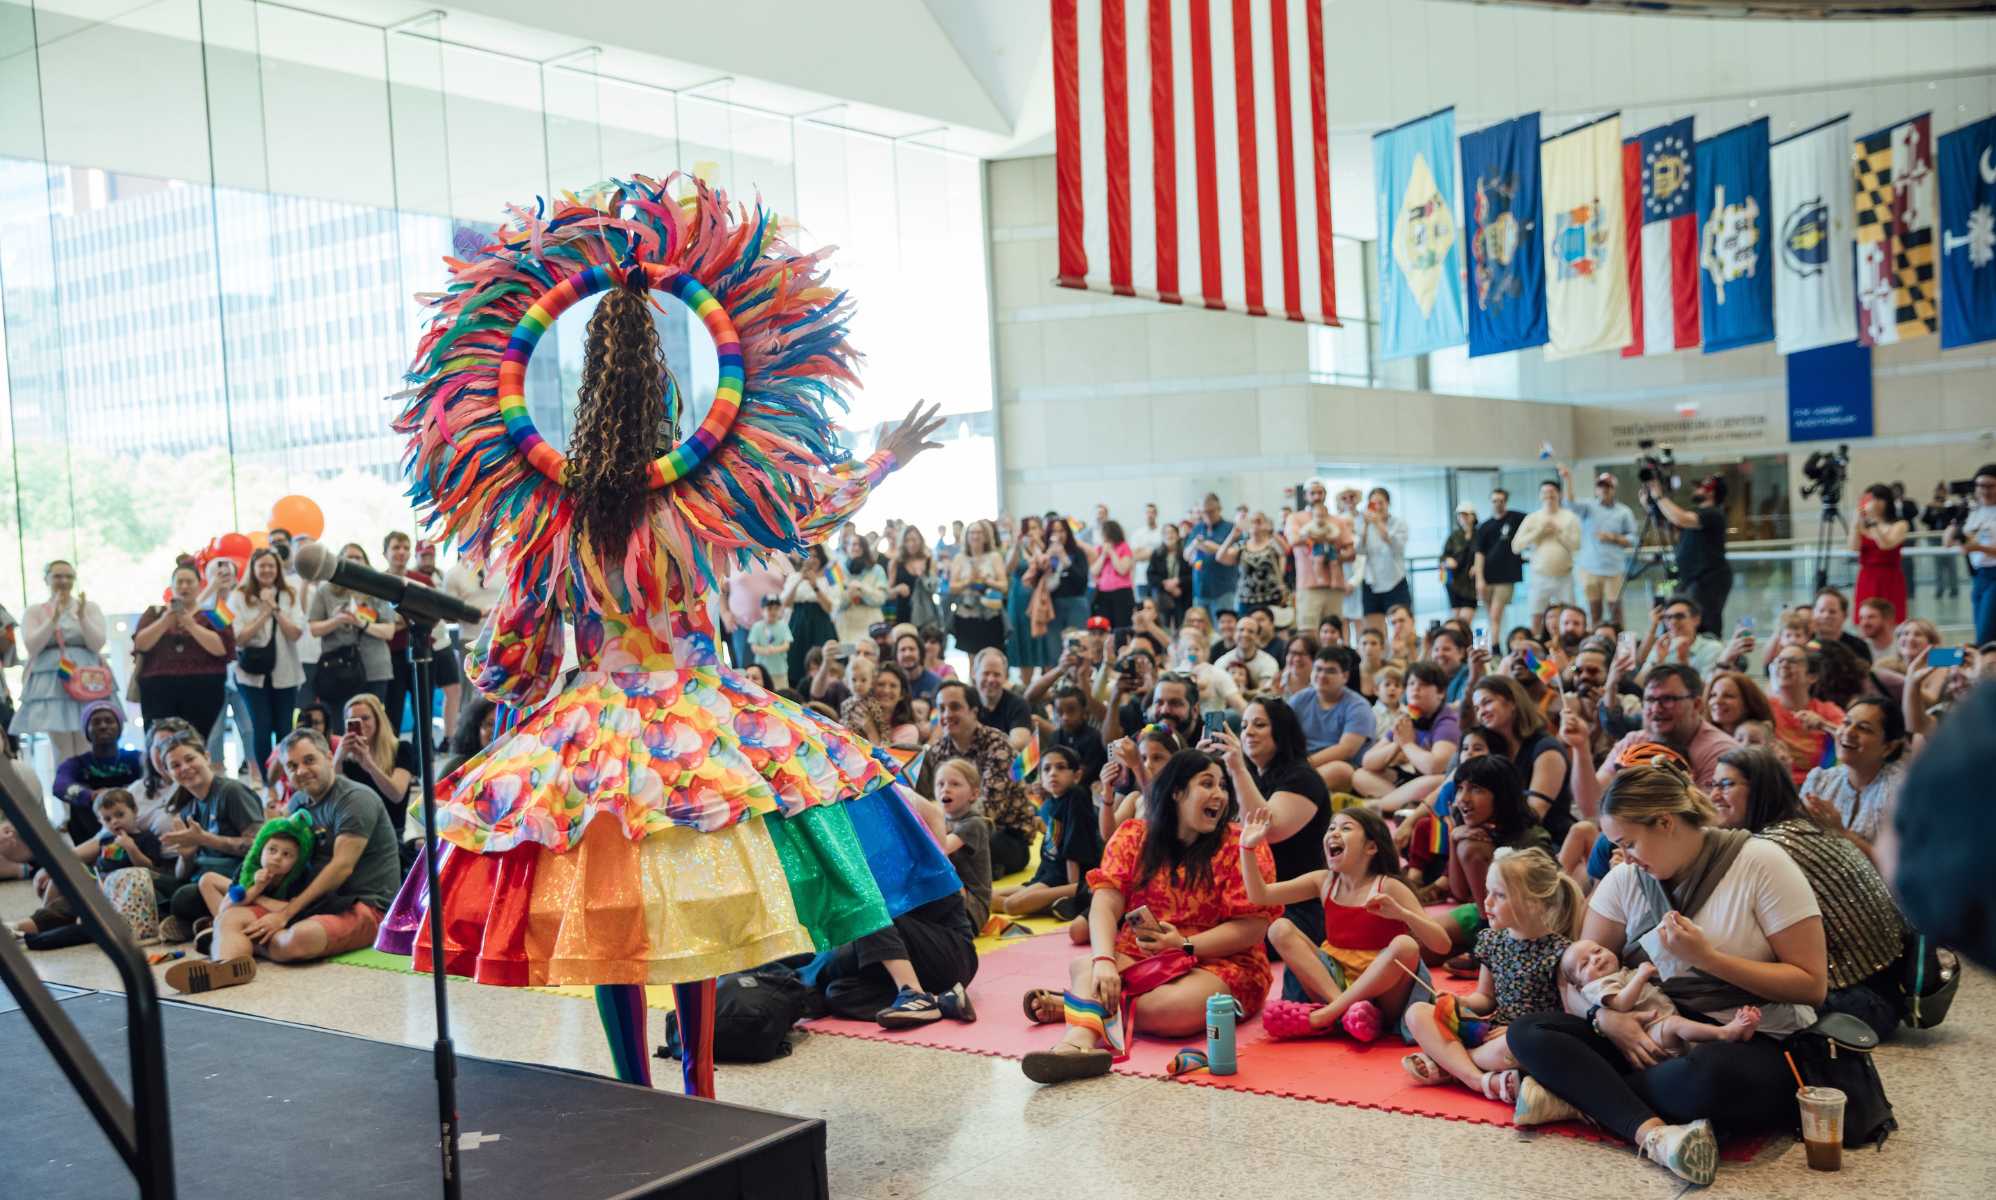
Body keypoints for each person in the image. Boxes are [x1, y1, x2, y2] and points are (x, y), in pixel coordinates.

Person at [365, 202, 962, 1100]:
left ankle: (631, 1086)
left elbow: (509, 661)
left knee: (613, 925)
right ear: (674, 411)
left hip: (595, 732)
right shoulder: (701, 504)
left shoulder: (553, 522)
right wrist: (887, 459)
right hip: (698, 724)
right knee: (698, 910)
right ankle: (702, 1087)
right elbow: (804, 508)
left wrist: (512, 673)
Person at [1505, 762, 1828, 1189]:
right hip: (1650, 1031)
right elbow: (1577, 977)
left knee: (1709, 1079)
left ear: (1665, 822)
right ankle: (1651, 1131)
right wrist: (1607, 1020)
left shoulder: (1761, 863)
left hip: (1743, 1038)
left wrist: (1708, 958)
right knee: (1529, 1032)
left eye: (1631, 842)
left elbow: (1812, 985)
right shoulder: (1626, 879)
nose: (1625, 857)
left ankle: (1581, 1095)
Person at [1019, 749, 1280, 1083]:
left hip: (1221, 959)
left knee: (1176, 1009)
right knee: (1086, 966)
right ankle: (1075, 1046)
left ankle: (1079, 1007)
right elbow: (1104, 902)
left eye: (1222, 786)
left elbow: (1252, 928)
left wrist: (1185, 944)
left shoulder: (1241, 844)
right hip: (1144, 953)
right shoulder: (1133, 835)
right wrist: (1103, 960)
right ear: (1176, 792)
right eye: (1207, 783)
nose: (1220, 794)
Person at [166, 728, 405, 994]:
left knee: (298, 939)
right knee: (229, 918)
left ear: (328, 756)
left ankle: (240, 943)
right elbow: (266, 854)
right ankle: (226, 966)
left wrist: (283, 915)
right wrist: (257, 887)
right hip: (312, 903)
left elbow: (341, 867)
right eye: (292, 766)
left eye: (309, 760)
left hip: (366, 905)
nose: (301, 771)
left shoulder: (355, 799)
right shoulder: (298, 802)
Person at [1708, 747, 1909, 1039]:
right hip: (1884, 989)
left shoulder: (1770, 847)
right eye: (1713, 785)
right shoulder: (1801, 827)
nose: (1714, 796)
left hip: (1860, 1004)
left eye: (1726, 785)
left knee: (1722, 997)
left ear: (1762, 789)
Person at [1249, 806, 1455, 1038]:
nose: (1334, 833)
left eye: (1346, 828)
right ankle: (1344, 1010)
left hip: (1384, 991)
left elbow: (1442, 945)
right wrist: (1247, 848)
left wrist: (1403, 914)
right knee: (1279, 928)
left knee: (1405, 945)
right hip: (1335, 980)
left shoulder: (1389, 886)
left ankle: (1327, 1016)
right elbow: (1260, 896)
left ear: (1372, 847)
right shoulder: (1324, 881)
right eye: (1331, 828)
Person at [1402, 848, 1585, 1101]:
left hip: (1524, 1040)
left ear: (1534, 903)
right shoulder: (1491, 941)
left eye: (1499, 895)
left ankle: (1450, 1064)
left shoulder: (1561, 952)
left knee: (1514, 1049)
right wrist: (1459, 1003)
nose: (1486, 902)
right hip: (1490, 1032)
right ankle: (1477, 1079)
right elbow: (1485, 999)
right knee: (1417, 1012)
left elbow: (1568, 1019)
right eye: (1488, 892)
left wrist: (1517, 1031)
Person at [921, 680, 1039, 877]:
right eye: (942, 709)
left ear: (974, 711)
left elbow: (988, 811)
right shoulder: (938, 750)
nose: (947, 715)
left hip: (1005, 835)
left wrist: (941, 830)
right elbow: (931, 798)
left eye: (955, 707)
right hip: (955, 828)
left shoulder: (998, 745)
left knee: (956, 849)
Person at [11, 788, 166, 938]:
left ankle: (21, 929)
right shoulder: (106, 840)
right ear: (100, 821)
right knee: (65, 883)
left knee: (69, 910)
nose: (115, 822)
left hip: (122, 894)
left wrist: (131, 848)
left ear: (134, 811)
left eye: (120, 814)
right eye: (107, 819)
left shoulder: (146, 838)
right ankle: (28, 921)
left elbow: (149, 868)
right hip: (98, 888)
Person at [156, 734, 265, 941]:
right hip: (201, 877)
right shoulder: (189, 809)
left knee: (182, 899)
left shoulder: (231, 792)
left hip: (235, 881)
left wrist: (205, 839)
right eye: (175, 765)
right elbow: (182, 874)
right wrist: (186, 856)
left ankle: (199, 922)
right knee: (150, 882)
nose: (185, 768)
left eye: (190, 759)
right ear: (169, 773)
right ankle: (197, 923)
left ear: (206, 757)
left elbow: (257, 846)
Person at [8, 560, 110, 759]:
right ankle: (66, 788)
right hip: (51, 684)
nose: (63, 581)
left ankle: (89, 787)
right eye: (57, 576)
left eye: (69, 576)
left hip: (87, 679)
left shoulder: (89, 608)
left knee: (87, 739)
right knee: (61, 747)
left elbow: (97, 644)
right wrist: (52, 618)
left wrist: (82, 617)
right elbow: (32, 646)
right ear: (46, 579)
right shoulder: (35, 611)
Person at [992, 746, 1099, 918]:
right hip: (1048, 874)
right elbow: (1056, 836)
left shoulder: (1077, 797)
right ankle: (1057, 904)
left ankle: (1076, 900)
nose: (1053, 773)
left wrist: (1074, 888)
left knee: (1011, 906)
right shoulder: (1054, 801)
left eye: (1061, 767)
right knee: (988, 897)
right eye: (1047, 769)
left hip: (1066, 879)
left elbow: (1074, 846)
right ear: (1041, 778)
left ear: (1077, 775)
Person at [1471, 675, 1575, 851]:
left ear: (1512, 702)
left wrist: (1483, 828)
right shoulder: (1491, 747)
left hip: (1546, 840)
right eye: (1477, 708)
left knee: (1473, 845)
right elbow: (1450, 784)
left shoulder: (1546, 748)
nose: (1481, 711)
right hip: (1503, 832)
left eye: (1487, 702)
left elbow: (1534, 814)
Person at [1799, 695, 1904, 866]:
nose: (1848, 732)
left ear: (1889, 747)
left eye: (1864, 728)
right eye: (1846, 723)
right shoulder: (1820, 780)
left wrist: (1841, 833)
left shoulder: (1900, 791)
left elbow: (1897, 867)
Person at [134, 560, 235, 737]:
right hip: (158, 688)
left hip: (204, 687)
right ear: (171, 587)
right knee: (159, 740)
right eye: (179, 582)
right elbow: (140, 644)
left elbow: (223, 649)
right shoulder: (154, 612)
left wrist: (192, 625)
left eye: (189, 582)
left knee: (196, 739)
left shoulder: (217, 611)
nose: (184, 586)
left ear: (200, 585)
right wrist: (166, 620)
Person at [230, 548, 305, 785]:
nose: (266, 570)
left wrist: (275, 608)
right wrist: (263, 613)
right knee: (260, 728)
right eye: (261, 565)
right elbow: (239, 638)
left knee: (285, 729)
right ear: (253, 568)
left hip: (286, 673)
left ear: (278, 568)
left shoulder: (289, 594)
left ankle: (286, 780)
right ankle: (267, 783)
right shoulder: (239, 596)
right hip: (251, 676)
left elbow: (295, 633)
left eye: (271, 566)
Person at [305, 544, 397, 718]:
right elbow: (314, 629)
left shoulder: (377, 589)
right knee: (341, 724)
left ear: (366, 561)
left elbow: (389, 631)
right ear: (339, 562)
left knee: (373, 722)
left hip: (374, 668)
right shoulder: (325, 590)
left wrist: (362, 624)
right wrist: (337, 620)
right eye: (349, 557)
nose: (354, 561)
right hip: (338, 671)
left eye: (358, 557)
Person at [1353, 661, 1460, 803]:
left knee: (1434, 782)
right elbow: (1368, 761)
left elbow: (1434, 767)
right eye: (1411, 684)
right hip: (1414, 783)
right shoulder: (1408, 718)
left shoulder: (1447, 720)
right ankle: (1403, 804)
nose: (1415, 689)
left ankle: (1382, 805)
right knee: (1360, 775)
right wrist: (1397, 744)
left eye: (1424, 684)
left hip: (1441, 785)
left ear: (1440, 692)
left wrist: (1407, 744)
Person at [1645, 472, 1732, 636]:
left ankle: (1707, 654)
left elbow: (1680, 519)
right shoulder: (1697, 515)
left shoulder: (1713, 514)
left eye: (1700, 487)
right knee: (1673, 612)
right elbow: (1672, 525)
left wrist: (1659, 497)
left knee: (1701, 623)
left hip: (1707, 579)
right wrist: (1651, 506)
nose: (1695, 489)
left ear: (1711, 492)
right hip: (1687, 577)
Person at [49, 700, 144, 845]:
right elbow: (60, 787)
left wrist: (123, 795)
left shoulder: (137, 758)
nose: (103, 726)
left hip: (136, 835)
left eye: (109, 721)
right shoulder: (75, 764)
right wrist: (93, 796)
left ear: (120, 728)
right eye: (96, 722)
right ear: (86, 730)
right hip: (89, 837)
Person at [1288, 646, 1375, 794]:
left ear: (1345, 676)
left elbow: (1346, 750)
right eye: (1318, 669)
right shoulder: (1299, 699)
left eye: (1330, 671)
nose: (1322, 675)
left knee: (1340, 770)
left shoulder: (1358, 706)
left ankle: (1289, 791)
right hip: (1301, 764)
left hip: (1343, 768)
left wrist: (1303, 765)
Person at [1562, 467, 1639, 627]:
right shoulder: (1588, 508)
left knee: (1616, 612)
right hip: (1590, 569)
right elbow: (1569, 503)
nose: (1604, 489)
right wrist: (1567, 479)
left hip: (1614, 570)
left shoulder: (1624, 512)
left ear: (1613, 489)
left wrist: (1614, 538)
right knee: (1594, 611)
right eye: (1601, 486)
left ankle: (1621, 646)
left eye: (1608, 486)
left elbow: (1633, 538)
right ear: (1596, 489)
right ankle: (1597, 645)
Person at [333, 693, 415, 841]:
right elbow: (334, 797)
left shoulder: (401, 749)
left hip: (390, 833)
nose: (360, 724)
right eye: (353, 721)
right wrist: (337, 759)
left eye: (365, 718)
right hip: (353, 830)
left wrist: (370, 765)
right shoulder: (346, 758)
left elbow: (396, 795)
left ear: (378, 719)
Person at [1765, 646, 1844, 787]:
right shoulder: (1764, 706)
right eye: (1780, 661)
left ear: (1812, 676)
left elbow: (1850, 736)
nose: (1784, 665)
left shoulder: (1827, 710)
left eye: (1792, 661)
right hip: (1775, 784)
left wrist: (1823, 725)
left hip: (1820, 786)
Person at [934, 759, 994, 932]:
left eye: (955, 784)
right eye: (940, 784)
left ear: (973, 795)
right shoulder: (944, 821)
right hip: (953, 900)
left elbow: (940, 848)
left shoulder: (974, 824)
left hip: (972, 910)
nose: (945, 788)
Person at [1288, 481, 1354, 632]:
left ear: (1325, 494)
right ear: (1305, 496)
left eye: (1320, 492)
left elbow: (1350, 551)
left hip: (1334, 586)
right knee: (1308, 631)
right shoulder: (1295, 518)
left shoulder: (1338, 521)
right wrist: (1321, 538)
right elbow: (1294, 540)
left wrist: (1337, 557)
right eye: (1313, 493)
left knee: (1333, 632)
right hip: (1308, 586)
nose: (1317, 496)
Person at [1512, 479, 1583, 620]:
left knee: (1568, 616)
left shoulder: (1570, 517)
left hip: (1564, 577)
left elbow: (1576, 546)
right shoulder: (1532, 518)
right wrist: (1539, 531)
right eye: (1545, 492)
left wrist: (1558, 532)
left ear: (1559, 494)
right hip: (1539, 577)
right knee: (1537, 617)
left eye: (1552, 492)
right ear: (1540, 495)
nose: (1548, 495)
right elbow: (1516, 546)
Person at [1850, 483, 1910, 629]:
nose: (1871, 504)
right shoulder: (1863, 527)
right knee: (1866, 620)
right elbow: (1853, 547)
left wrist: (1873, 522)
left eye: (1875, 499)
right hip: (1867, 577)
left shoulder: (1900, 525)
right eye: (1869, 499)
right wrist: (1855, 521)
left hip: (1890, 577)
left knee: (1892, 620)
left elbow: (1885, 545)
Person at [947, 520, 1007, 659]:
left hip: (991, 613)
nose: (975, 536)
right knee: (972, 658)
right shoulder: (960, 558)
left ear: (986, 536)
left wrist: (987, 581)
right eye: (972, 533)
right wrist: (969, 581)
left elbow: (1004, 586)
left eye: (979, 532)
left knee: (993, 654)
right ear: (966, 536)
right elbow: (952, 587)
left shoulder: (994, 557)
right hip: (968, 613)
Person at [1355, 487, 1411, 634]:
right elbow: (1359, 550)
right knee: (1374, 631)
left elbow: (1397, 546)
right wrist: (1367, 526)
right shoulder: (1363, 524)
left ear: (1388, 503)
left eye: (1381, 503)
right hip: (1371, 582)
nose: (1378, 507)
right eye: (1373, 504)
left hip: (1395, 580)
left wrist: (1379, 523)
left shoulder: (1399, 523)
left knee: (1403, 628)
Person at [781, 546, 841, 685]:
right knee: (795, 662)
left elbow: (830, 607)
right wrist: (799, 579)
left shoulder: (829, 578)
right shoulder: (794, 576)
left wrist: (815, 586)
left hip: (821, 623)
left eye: (816, 556)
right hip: (798, 623)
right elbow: (785, 603)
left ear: (822, 558)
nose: (812, 560)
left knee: (821, 660)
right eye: (808, 555)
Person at [1473, 489, 1526, 641]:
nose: (1498, 504)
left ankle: (1495, 649)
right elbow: (1479, 554)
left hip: (1506, 577)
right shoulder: (1484, 527)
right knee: (1491, 616)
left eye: (1501, 500)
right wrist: (1479, 579)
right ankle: (1491, 646)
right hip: (1488, 577)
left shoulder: (1515, 518)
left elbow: (1534, 523)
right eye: (1495, 501)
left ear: (1506, 501)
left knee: (1496, 614)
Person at [1185, 493, 1241, 616]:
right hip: (1200, 591)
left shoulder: (1230, 528)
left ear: (1219, 509)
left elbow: (1233, 556)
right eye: (1204, 512)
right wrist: (1195, 544)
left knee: (1224, 629)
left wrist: (1209, 545)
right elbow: (1186, 555)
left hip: (1224, 590)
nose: (1208, 515)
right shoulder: (1198, 528)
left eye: (1211, 511)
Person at [833, 529, 890, 644]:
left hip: (871, 627)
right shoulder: (836, 571)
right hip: (845, 629)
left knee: (870, 658)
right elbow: (834, 602)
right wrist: (849, 594)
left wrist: (862, 589)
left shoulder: (877, 570)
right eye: (853, 544)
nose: (856, 548)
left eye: (860, 545)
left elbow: (880, 599)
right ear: (846, 547)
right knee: (847, 657)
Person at [887, 525, 939, 629]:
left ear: (920, 540)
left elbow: (934, 588)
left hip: (925, 614)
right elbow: (887, 593)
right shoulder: (896, 562)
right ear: (903, 543)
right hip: (902, 613)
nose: (911, 544)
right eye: (907, 540)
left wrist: (924, 577)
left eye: (914, 540)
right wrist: (897, 590)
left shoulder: (929, 561)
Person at [1089, 519, 1138, 627]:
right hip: (1103, 593)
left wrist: (1111, 552)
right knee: (1104, 625)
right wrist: (1103, 555)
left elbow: (1122, 569)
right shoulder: (1099, 549)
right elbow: (1094, 571)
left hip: (1122, 592)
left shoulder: (1124, 547)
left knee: (1122, 625)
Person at [1809, 587, 1873, 665]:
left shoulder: (1858, 647)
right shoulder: (1804, 642)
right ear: (1813, 614)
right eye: (1821, 610)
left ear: (1844, 616)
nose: (1826, 616)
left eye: (1832, 612)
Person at [1439, 503, 1479, 622]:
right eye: (1460, 515)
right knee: (1455, 617)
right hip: (1453, 581)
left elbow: (1486, 555)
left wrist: (1479, 566)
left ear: (1473, 516)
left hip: (1471, 583)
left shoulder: (1480, 534)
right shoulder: (1454, 536)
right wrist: (1447, 560)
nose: (1463, 518)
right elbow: (1443, 556)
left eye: (1466, 515)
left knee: (1465, 619)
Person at [1148, 521, 1190, 627]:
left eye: (1172, 532)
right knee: (1163, 626)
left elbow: (1192, 575)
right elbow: (1151, 576)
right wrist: (1166, 585)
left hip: (1182, 594)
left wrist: (1178, 582)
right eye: (1166, 533)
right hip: (1163, 596)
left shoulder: (1186, 552)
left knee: (1181, 625)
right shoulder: (1157, 554)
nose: (1169, 535)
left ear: (1177, 534)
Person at [748, 594, 793, 690]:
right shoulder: (757, 626)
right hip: (762, 672)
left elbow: (787, 645)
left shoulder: (783, 625)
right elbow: (754, 647)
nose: (773, 612)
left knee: (782, 694)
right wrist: (765, 651)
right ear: (762, 610)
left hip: (780, 670)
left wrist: (775, 649)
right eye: (769, 608)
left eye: (776, 608)